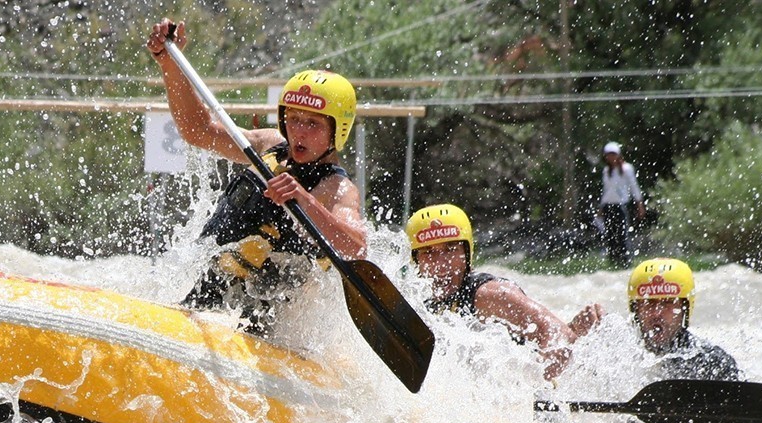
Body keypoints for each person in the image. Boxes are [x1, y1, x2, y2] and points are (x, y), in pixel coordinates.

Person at [147, 18, 366, 338]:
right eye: (293, 119)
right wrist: (170, 62)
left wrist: (304, 199)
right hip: (207, 297)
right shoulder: (267, 145)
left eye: (313, 124)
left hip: (263, 326)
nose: (299, 132)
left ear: (338, 130)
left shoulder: (336, 188)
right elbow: (198, 130)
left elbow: (357, 248)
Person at [405, 203, 601, 380]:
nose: (441, 264)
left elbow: (559, 336)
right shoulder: (420, 302)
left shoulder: (490, 294)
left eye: (450, 249)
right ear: (416, 261)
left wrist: (533, 386)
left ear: (467, 254)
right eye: (428, 252)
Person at [627, 257, 741, 381]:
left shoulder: (713, 363)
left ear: (685, 309)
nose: (657, 313)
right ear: (636, 309)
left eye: (668, 303)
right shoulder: (618, 357)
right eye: (649, 303)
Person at [597, 142, 645, 268]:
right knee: (610, 235)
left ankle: (625, 261)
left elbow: (634, 186)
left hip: (620, 205)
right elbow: (606, 190)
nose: (611, 157)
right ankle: (613, 261)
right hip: (608, 205)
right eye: (608, 155)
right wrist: (601, 207)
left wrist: (639, 204)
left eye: (613, 154)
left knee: (622, 234)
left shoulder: (627, 169)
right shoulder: (607, 171)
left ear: (618, 155)